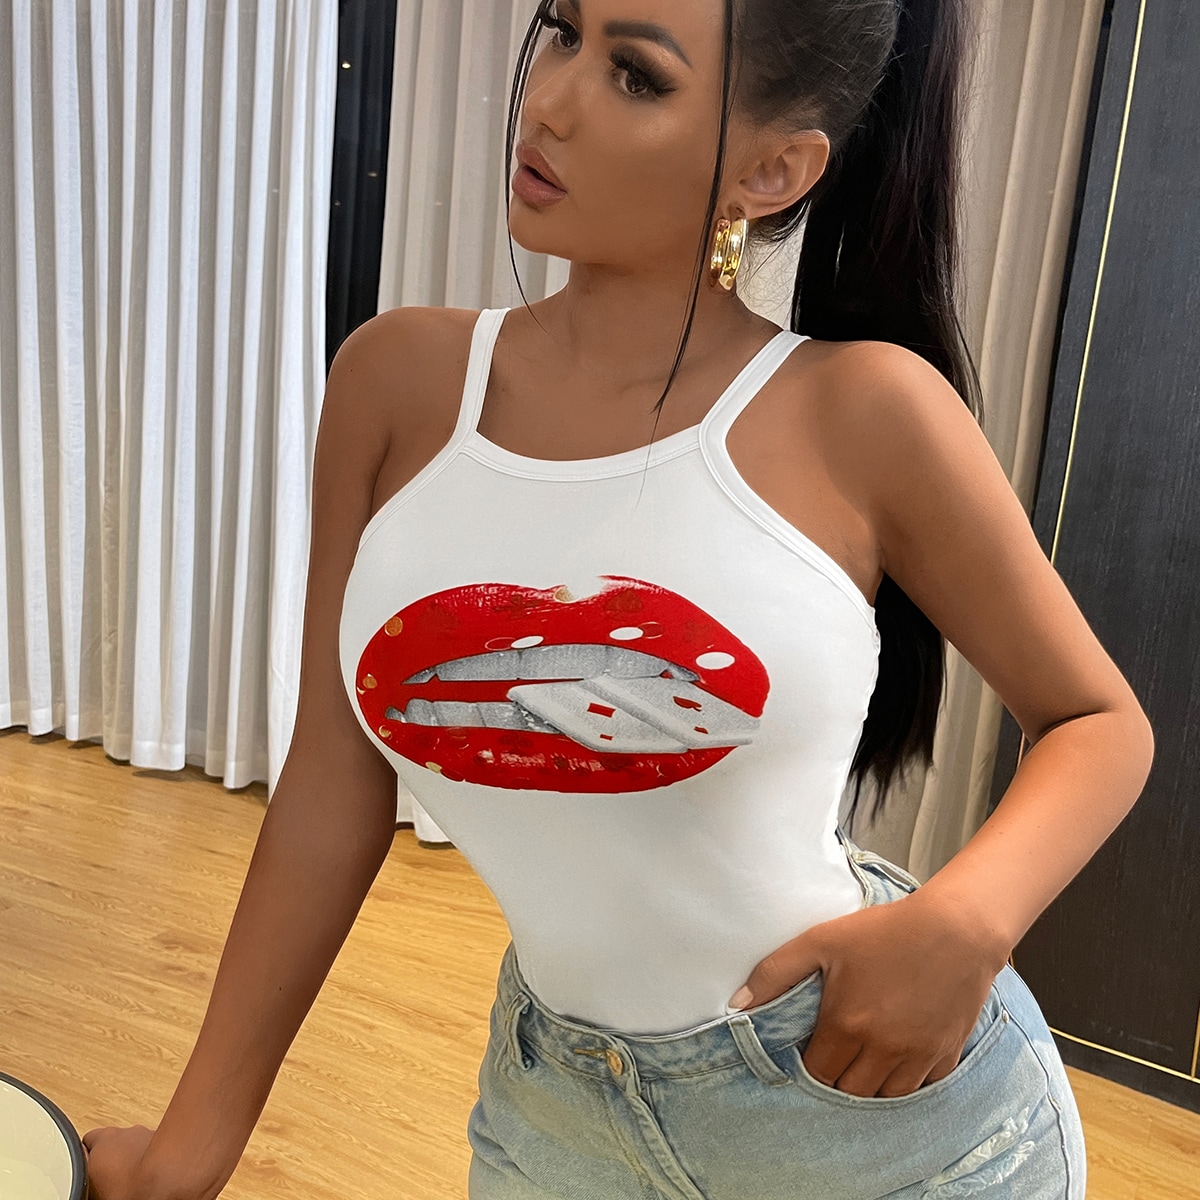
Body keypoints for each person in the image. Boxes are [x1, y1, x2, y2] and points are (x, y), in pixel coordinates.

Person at [82, 0, 1155, 1196]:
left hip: (871, 1117)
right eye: (560, 31)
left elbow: (1099, 721)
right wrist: (191, 1152)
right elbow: (332, 786)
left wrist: (966, 924)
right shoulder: (396, 382)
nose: (547, 101)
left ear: (772, 170)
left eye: (636, 74)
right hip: (558, 1113)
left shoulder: (861, 412)